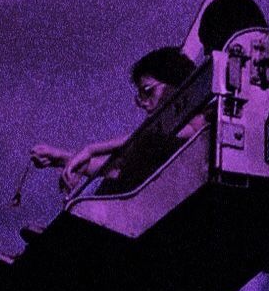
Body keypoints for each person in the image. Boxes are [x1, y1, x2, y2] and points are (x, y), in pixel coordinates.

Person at [31, 46, 196, 192]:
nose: (143, 103)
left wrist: (92, 149)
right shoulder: (154, 139)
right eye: (139, 96)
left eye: (147, 91)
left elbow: (151, 136)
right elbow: (117, 169)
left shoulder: (201, 115)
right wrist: (62, 158)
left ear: (176, 85)